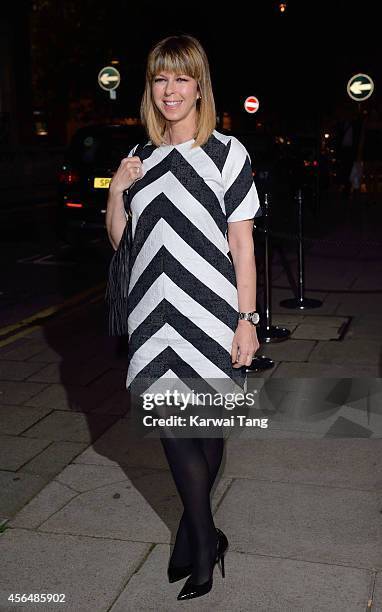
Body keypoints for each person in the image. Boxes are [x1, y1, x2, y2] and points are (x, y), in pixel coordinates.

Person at [106, 34, 261, 601]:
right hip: (153, 315)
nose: (170, 90)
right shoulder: (140, 158)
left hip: (213, 313)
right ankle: (203, 544)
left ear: (200, 86)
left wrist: (247, 319)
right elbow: (126, 243)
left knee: (208, 431)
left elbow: (242, 245)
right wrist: (117, 191)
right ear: (151, 88)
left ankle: (194, 535)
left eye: (181, 78)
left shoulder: (227, 153)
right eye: (160, 79)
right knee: (173, 430)